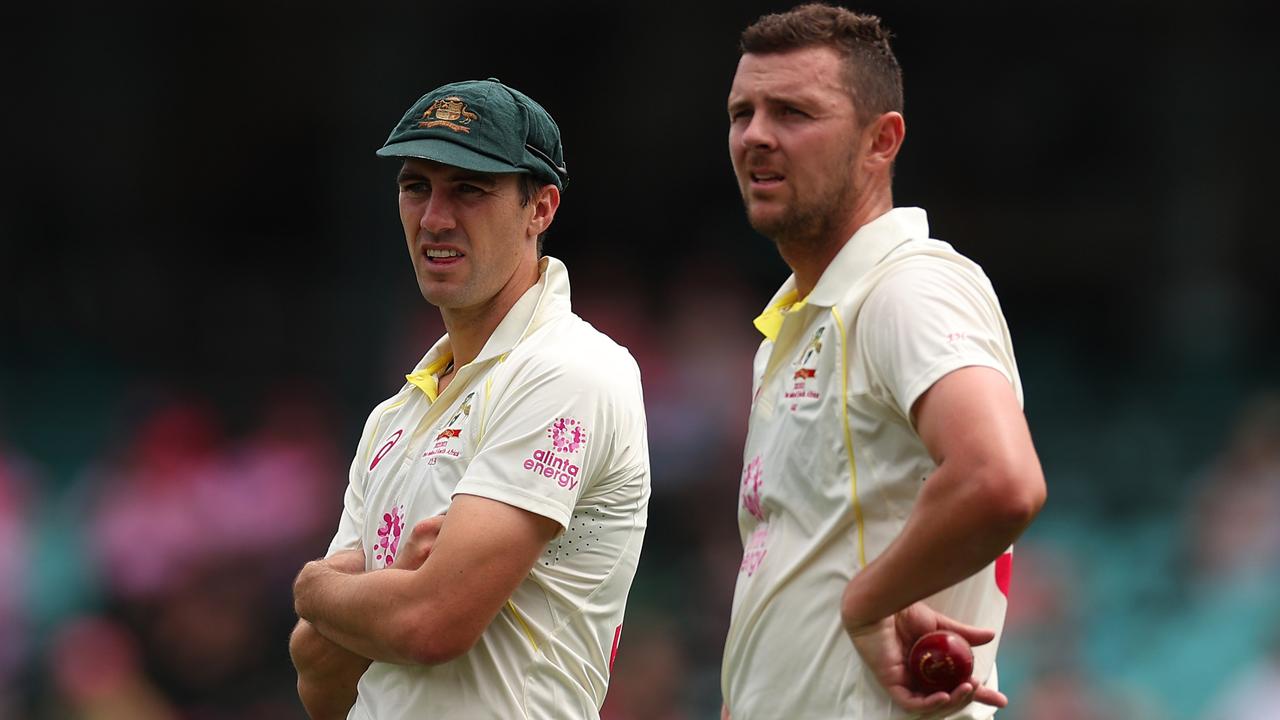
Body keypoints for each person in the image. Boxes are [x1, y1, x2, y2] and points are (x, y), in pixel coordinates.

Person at [719, 5, 1047, 719]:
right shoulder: (793, 328)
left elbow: (1000, 479)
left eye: (794, 112)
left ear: (881, 140)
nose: (757, 137)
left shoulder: (908, 287)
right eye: (742, 113)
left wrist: (869, 601)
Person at [289, 78, 650, 720]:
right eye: (415, 186)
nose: (434, 218)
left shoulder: (572, 369)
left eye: (470, 189)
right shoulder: (391, 417)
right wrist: (386, 593)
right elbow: (317, 677)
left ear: (540, 209)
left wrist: (316, 588)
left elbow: (431, 624)